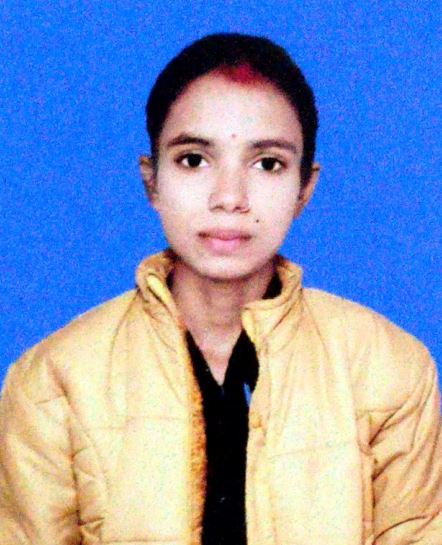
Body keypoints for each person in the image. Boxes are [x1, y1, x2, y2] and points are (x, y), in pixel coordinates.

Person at [0, 32, 441, 545]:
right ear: (151, 180)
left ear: (304, 188)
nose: (229, 197)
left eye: (268, 163)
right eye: (193, 159)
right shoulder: (53, 381)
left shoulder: (388, 370)